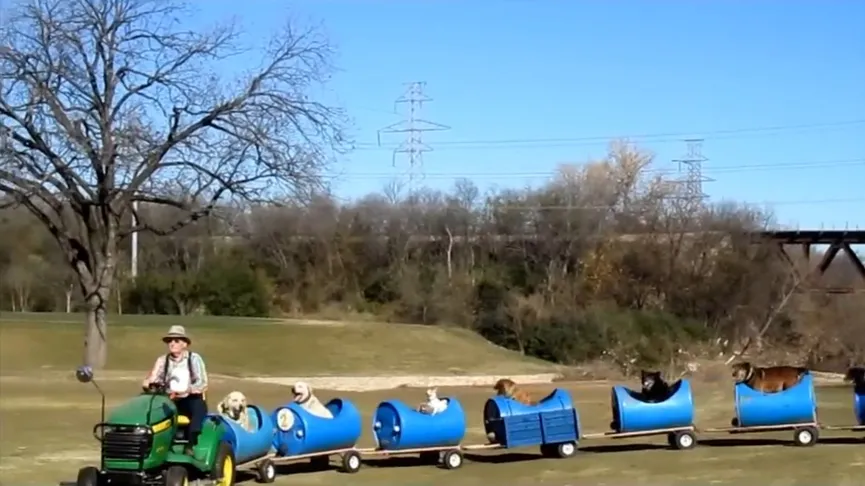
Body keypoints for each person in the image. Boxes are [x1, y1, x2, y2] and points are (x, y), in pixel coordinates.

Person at [142, 325, 209, 450]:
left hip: (189, 398)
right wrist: (148, 383)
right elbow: (153, 378)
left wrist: (185, 391)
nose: (172, 344)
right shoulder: (162, 360)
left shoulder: (194, 359)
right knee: (149, 408)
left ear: (185, 344)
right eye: (170, 341)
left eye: (176, 341)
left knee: (198, 406)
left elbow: (202, 383)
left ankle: (191, 444)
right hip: (168, 398)